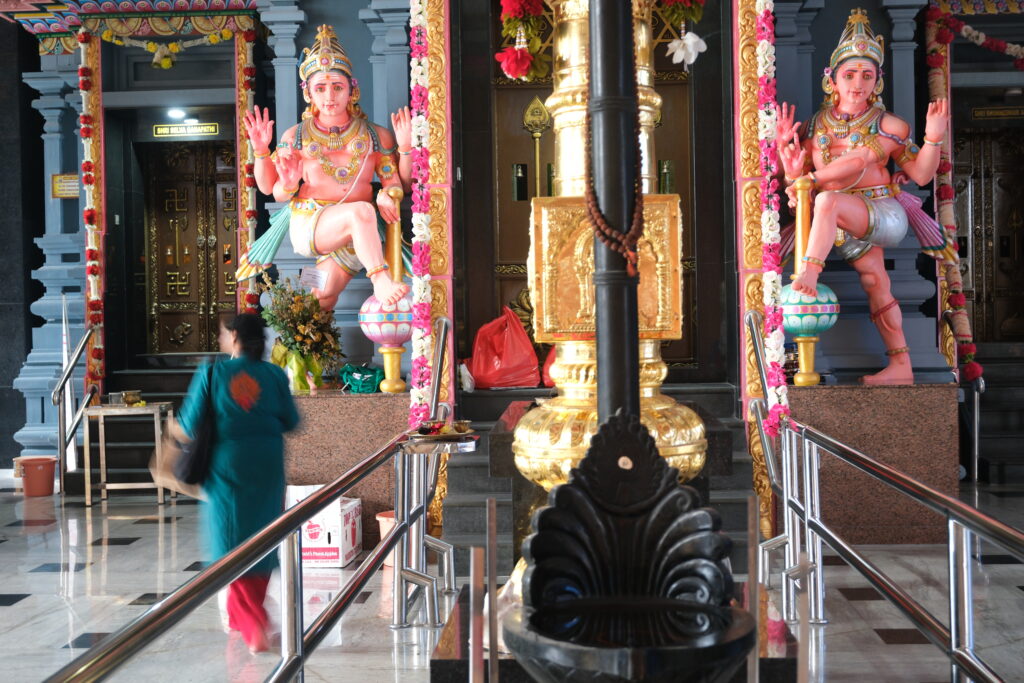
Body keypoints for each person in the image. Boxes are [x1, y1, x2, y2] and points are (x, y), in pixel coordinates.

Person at [775, 9, 953, 385]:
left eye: (867, 76)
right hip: (838, 221)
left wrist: (933, 137)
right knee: (875, 282)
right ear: (832, 80)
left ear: (877, 81)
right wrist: (788, 163)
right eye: (849, 75)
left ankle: (809, 272)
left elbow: (915, 173)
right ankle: (901, 366)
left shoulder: (888, 124)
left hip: (880, 212)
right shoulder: (815, 126)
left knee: (827, 201)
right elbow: (796, 182)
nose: (858, 84)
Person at [238, 24, 412, 310]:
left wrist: (400, 161)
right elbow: (272, 189)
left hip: (357, 234)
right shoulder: (295, 136)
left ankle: (306, 335)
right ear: (308, 93)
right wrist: (261, 152)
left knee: (322, 294)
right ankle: (380, 280)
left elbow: (397, 184)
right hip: (312, 223)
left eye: (337, 87)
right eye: (320, 88)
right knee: (361, 211)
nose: (329, 97)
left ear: (352, 90)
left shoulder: (375, 135)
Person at [177, 313, 300, 653]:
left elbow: (189, 422)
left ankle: (253, 622)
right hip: (267, 464)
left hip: (227, 467)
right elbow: (291, 420)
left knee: (231, 539)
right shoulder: (274, 374)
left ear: (234, 337)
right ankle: (240, 615)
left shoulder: (212, 373)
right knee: (262, 534)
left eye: (223, 333)